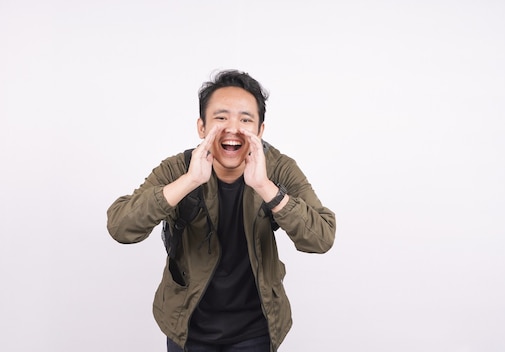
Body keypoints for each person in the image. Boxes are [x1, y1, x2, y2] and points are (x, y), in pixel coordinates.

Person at [106, 70, 336, 351]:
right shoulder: (179, 168)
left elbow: (322, 237)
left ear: (260, 130)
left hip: (256, 330)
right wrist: (189, 181)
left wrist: (265, 187)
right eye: (221, 117)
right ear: (202, 127)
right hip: (187, 327)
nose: (233, 128)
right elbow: (120, 226)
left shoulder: (278, 168)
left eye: (245, 119)